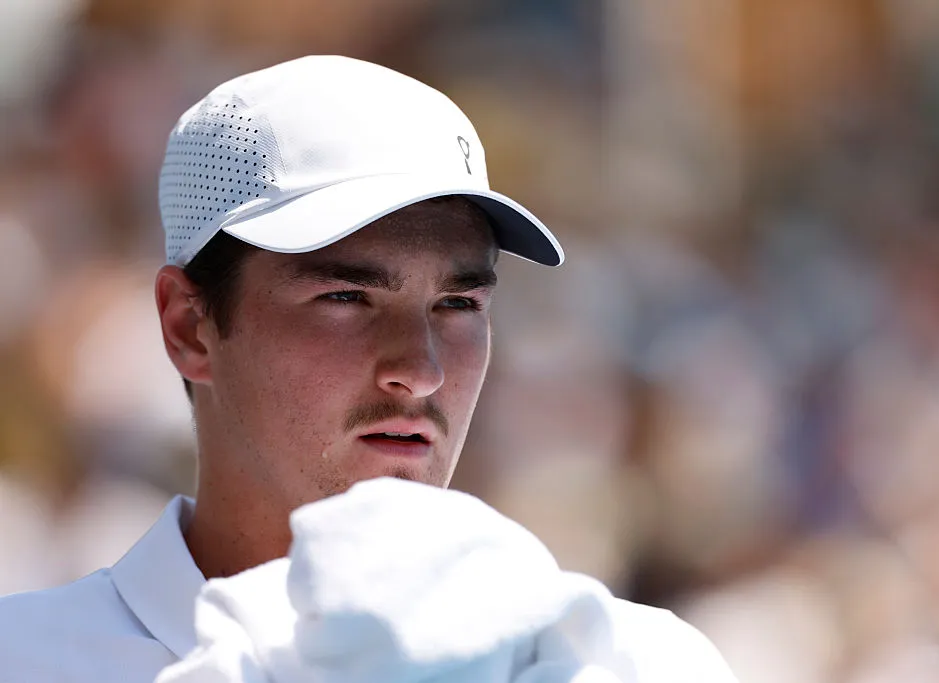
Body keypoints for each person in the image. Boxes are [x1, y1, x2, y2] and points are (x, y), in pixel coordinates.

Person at [0, 56, 736, 682]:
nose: (419, 371)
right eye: (345, 297)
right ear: (189, 326)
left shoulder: (636, 663)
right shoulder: (26, 658)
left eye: (456, 303)